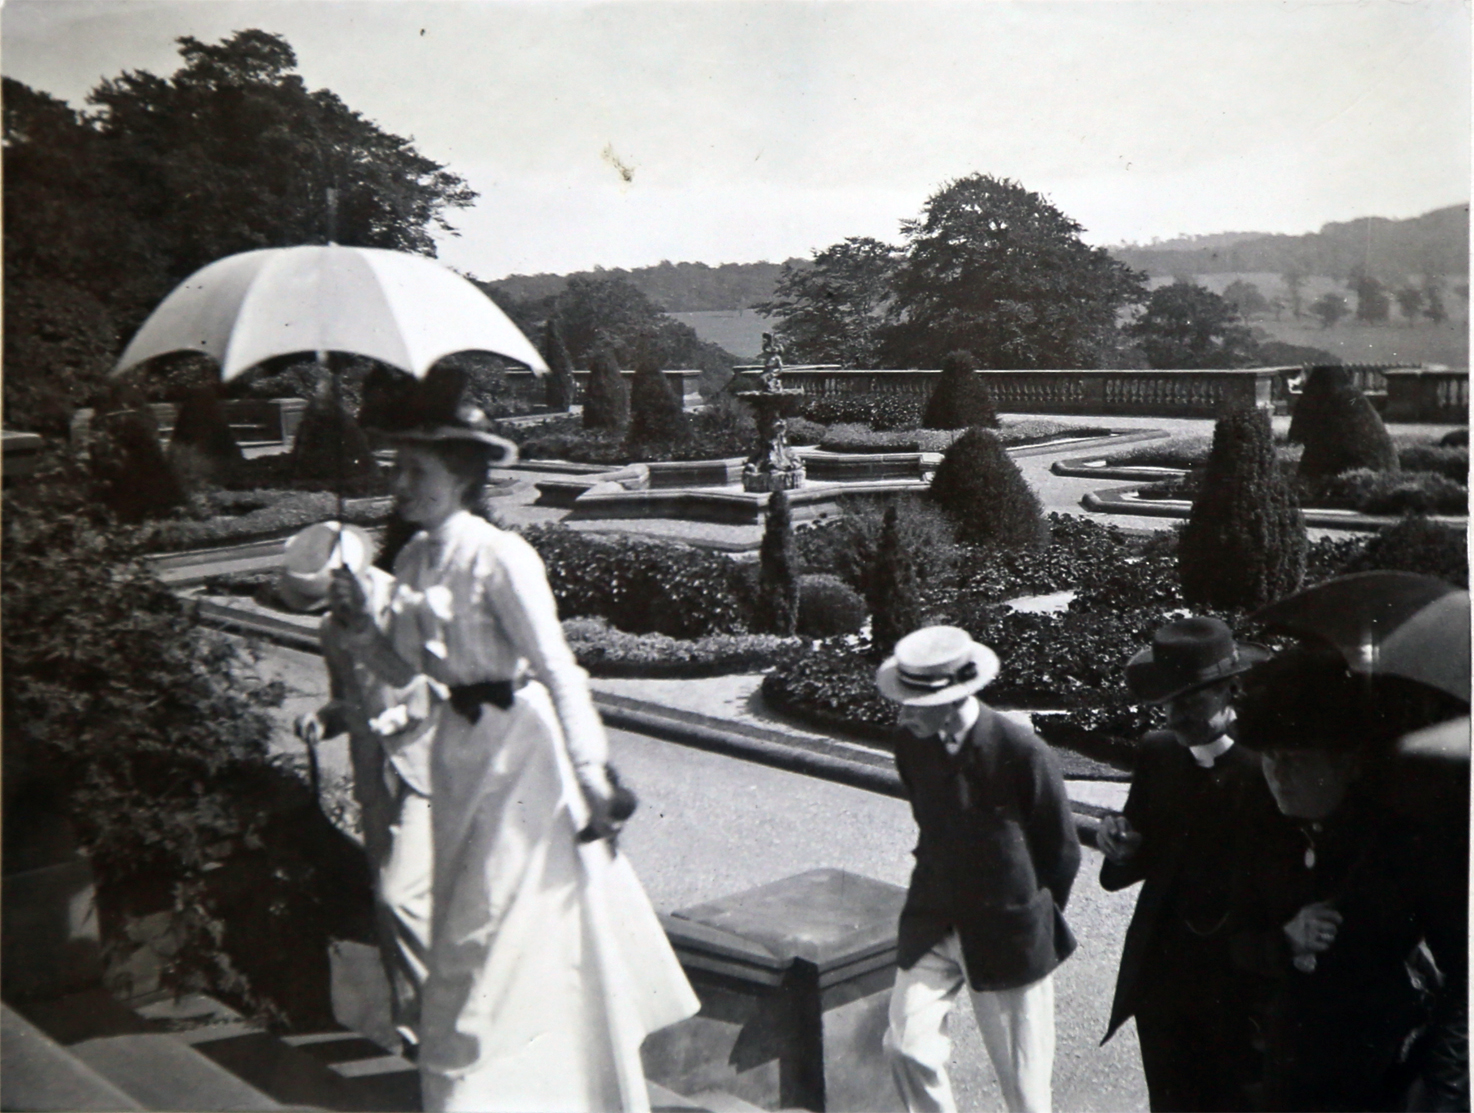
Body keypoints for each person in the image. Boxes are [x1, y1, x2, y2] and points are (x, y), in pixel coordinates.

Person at [333, 389, 698, 1113]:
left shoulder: (502, 557)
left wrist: (592, 772)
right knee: (483, 932)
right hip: (458, 758)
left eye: (415, 467)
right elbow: (405, 671)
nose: (399, 483)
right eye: (397, 467)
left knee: (489, 939)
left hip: (523, 763)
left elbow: (558, 667)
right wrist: (358, 624)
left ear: (460, 474)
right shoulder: (412, 568)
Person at [1230, 646, 1468, 1112]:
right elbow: (1237, 941)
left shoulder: (1401, 847)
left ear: (1347, 762)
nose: (1278, 773)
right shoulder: (1265, 834)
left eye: (1295, 756)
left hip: (1382, 1077)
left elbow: (1466, 975)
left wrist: (1440, 1086)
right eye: (1270, 756)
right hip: (1291, 1074)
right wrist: (1286, 941)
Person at [876, 625, 1081, 1113]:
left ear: (949, 699)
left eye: (912, 703)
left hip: (1007, 933)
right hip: (933, 922)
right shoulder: (911, 742)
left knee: (1025, 1095)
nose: (902, 714)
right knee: (905, 1046)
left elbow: (1061, 850)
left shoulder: (1020, 751)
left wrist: (1026, 913)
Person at [1096, 616, 1274, 1111]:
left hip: (1239, 988)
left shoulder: (1268, 769)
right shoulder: (1158, 754)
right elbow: (1136, 855)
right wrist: (1121, 846)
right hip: (1165, 985)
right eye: (1167, 705)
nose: (1174, 719)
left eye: (1190, 701)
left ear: (1229, 692)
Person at [282, 520, 438, 1058]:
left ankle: (449, 1026)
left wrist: (371, 640)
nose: (325, 611)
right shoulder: (330, 630)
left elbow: (430, 690)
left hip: (430, 778)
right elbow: (347, 697)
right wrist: (324, 720)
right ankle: (416, 1038)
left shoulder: (407, 607)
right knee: (390, 908)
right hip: (376, 784)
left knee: (409, 899)